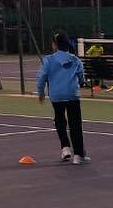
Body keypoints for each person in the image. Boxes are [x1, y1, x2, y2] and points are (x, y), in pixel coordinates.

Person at [37, 32, 88, 164]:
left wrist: (41, 92)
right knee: (75, 124)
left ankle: (65, 147)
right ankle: (78, 154)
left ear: (55, 45)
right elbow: (81, 76)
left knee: (59, 120)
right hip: (72, 94)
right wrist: (79, 83)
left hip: (56, 95)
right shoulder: (75, 60)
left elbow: (42, 77)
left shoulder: (48, 60)